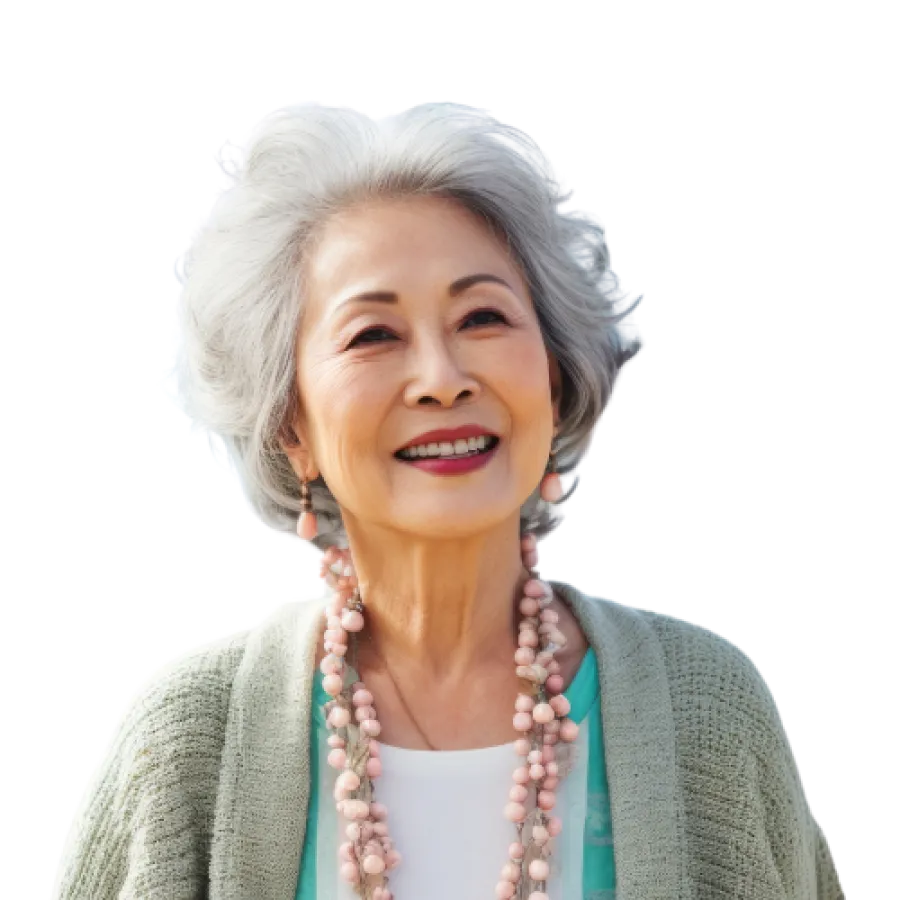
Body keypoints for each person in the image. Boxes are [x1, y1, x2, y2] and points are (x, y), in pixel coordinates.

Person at [58, 102, 844, 899]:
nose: (442, 377)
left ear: (555, 373)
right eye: (374, 334)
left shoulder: (706, 712)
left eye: (482, 317)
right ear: (291, 425)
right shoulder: (193, 738)